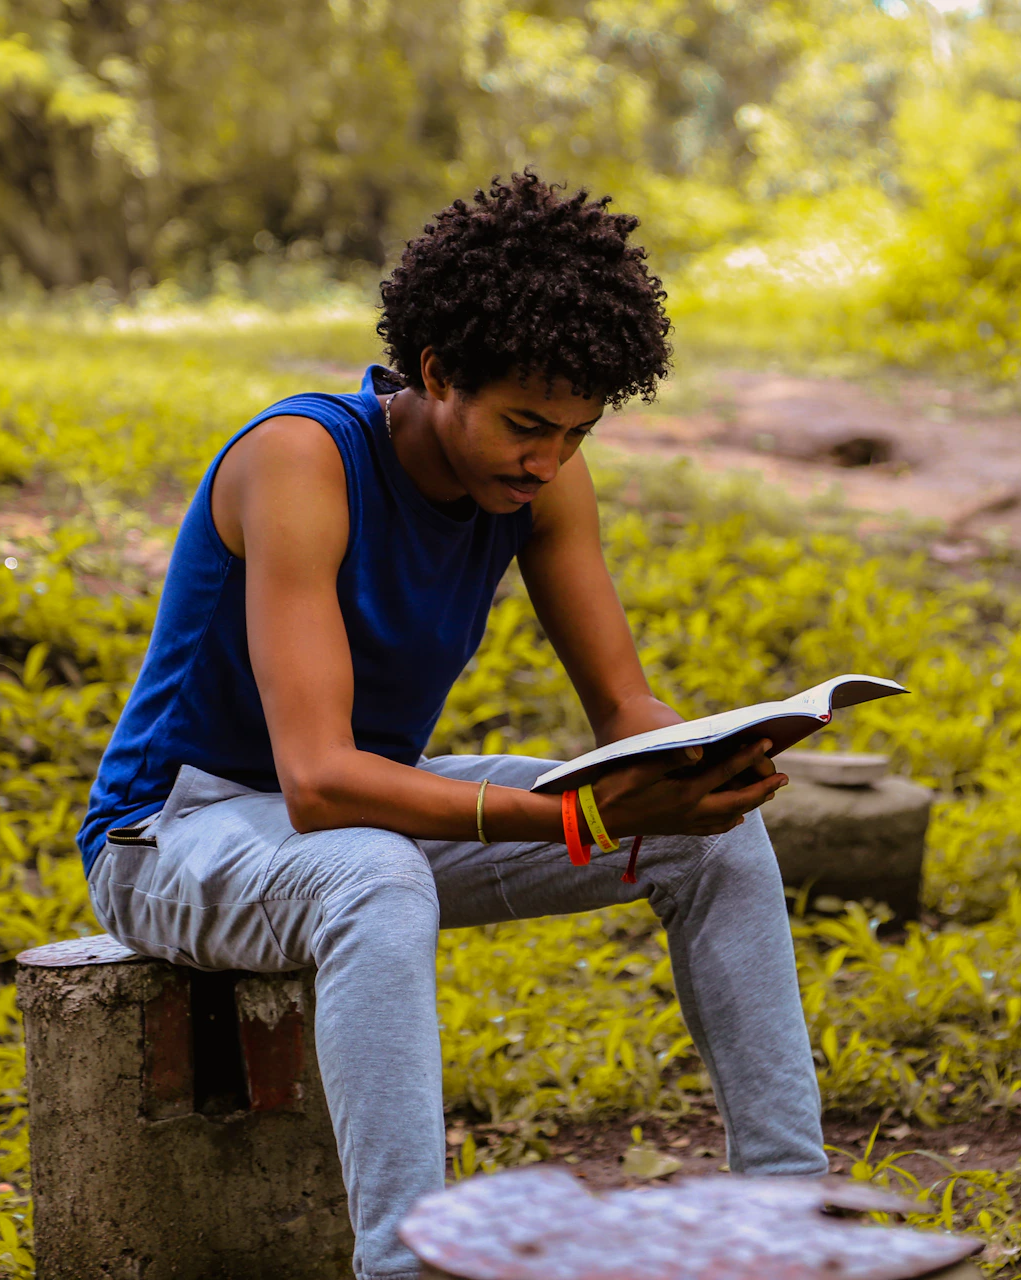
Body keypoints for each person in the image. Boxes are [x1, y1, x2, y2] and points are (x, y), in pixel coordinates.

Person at [77, 173, 826, 1279]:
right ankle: (408, 1264)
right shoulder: (301, 460)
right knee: (375, 876)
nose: (549, 460)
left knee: (709, 836)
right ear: (434, 372)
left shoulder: (539, 485)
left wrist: (701, 759)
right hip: (174, 832)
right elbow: (322, 779)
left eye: (576, 433)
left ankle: (795, 1219)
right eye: (527, 424)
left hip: (351, 815)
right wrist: (570, 817)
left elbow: (624, 706)